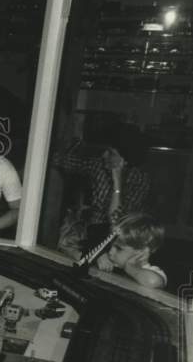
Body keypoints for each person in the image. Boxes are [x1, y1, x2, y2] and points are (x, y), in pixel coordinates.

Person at [53, 122, 151, 261]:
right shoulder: (98, 165)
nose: (104, 155)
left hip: (120, 238)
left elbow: (117, 221)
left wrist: (117, 180)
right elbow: (63, 161)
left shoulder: (140, 180)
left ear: (125, 160)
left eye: (111, 153)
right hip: (92, 232)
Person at [91, 211, 167, 290]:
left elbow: (153, 281)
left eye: (119, 248)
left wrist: (129, 266)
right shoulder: (115, 264)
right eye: (111, 246)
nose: (110, 252)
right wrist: (99, 256)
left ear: (142, 251)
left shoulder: (153, 272)